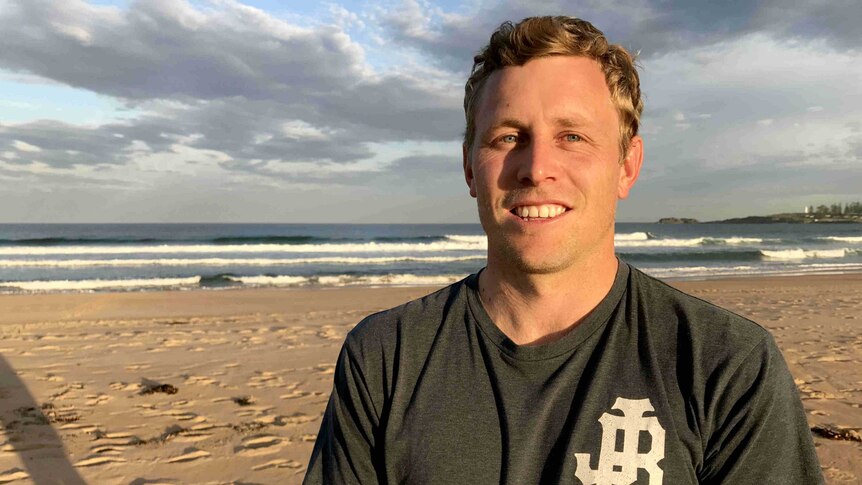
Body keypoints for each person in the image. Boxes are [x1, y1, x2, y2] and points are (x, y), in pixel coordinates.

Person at [304, 16, 822, 484]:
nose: (536, 168)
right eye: (508, 138)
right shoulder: (386, 356)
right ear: (469, 168)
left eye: (572, 136)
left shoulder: (725, 364)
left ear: (626, 165)